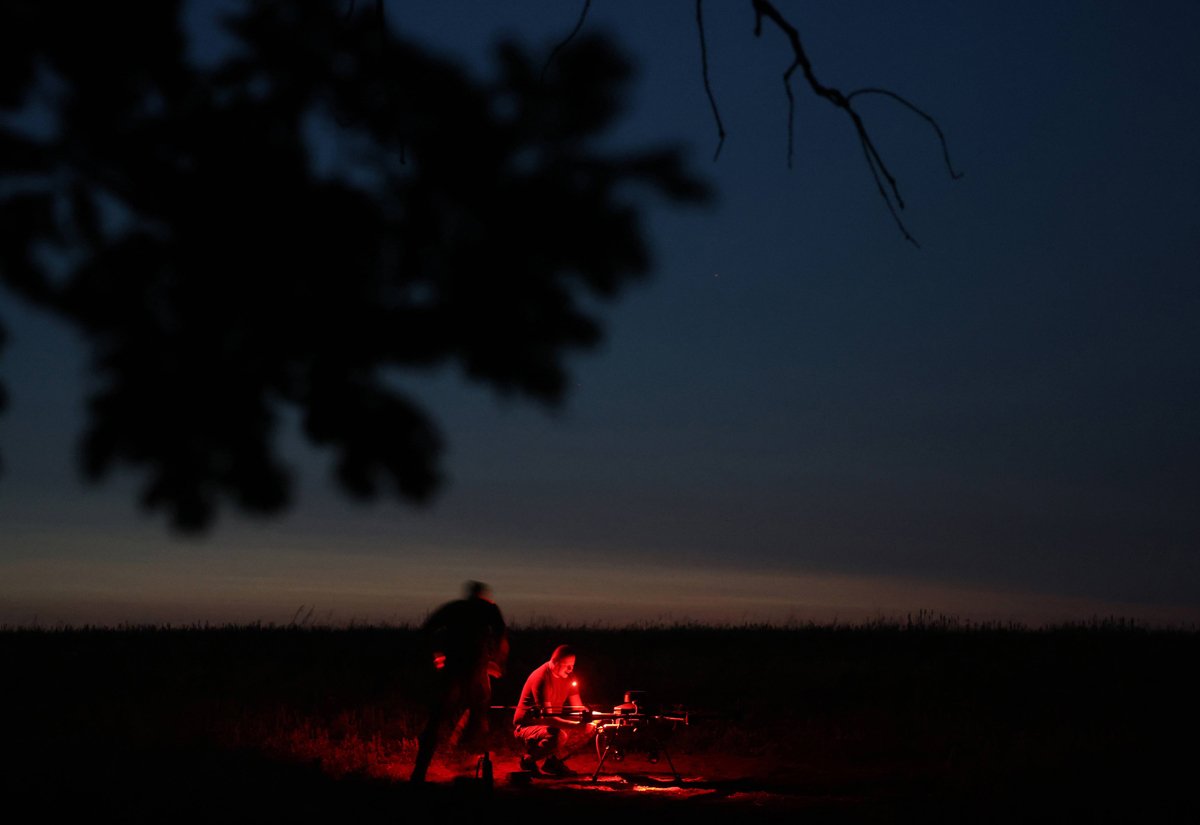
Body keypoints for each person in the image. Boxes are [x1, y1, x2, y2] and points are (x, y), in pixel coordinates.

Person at [410, 580, 509, 783]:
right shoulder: (488, 608)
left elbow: (426, 630)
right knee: (479, 711)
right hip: (472, 668)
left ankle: (421, 771)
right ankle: (473, 759)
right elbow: (501, 638)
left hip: (453, 668)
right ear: (482, 595)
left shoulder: (454, 608)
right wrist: (497, 661)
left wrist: (435, 654)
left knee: (438, 717)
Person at [513, 644, 599, 777]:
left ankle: (552, 762)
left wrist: (594, 717)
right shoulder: (541, 678)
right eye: (567, 665)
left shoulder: (570, 677)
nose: (571, 669)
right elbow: (546, 717)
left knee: (591, 727)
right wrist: (577, 726)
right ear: (555, 662)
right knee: (560, 735)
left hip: (550, 724)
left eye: (573, 665)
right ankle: (528, 760)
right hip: (527, 726)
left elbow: (578, 708)